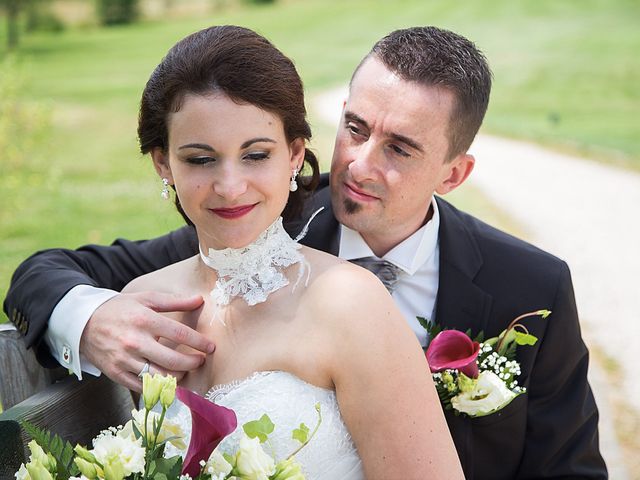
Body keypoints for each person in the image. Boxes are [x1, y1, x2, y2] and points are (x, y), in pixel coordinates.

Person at [4, 26, 606, 479]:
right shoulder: (239, 224)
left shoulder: (531, 288)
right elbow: (43, 273)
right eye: (356, 128)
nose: (358, 165)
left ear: (453, 173)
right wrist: (88, 319)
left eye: (399, 148)